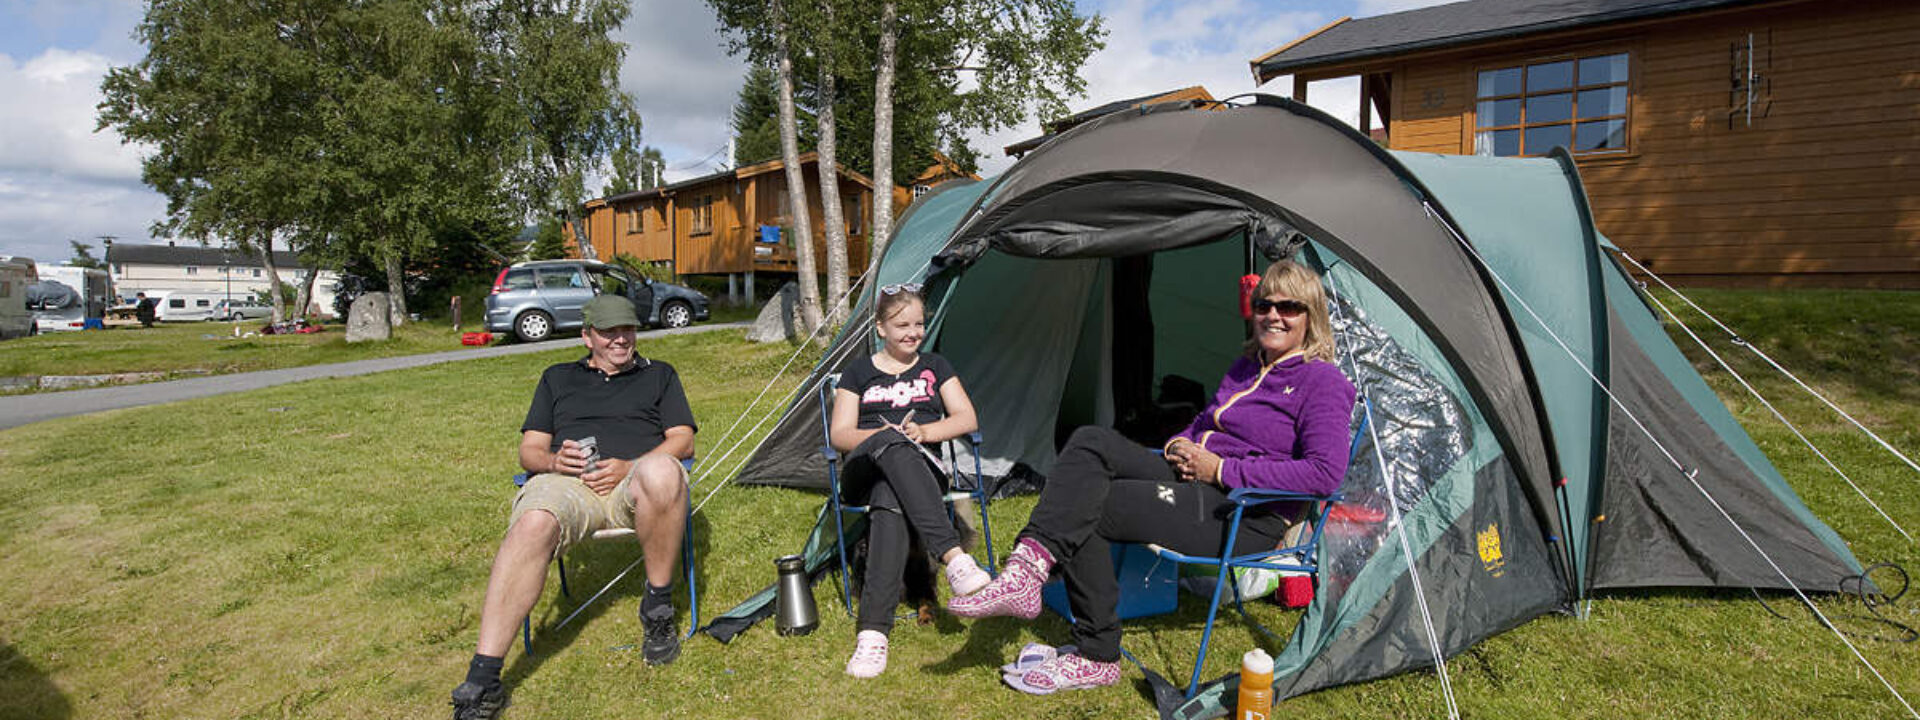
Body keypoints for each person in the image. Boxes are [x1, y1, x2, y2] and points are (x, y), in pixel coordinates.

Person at [948, 259, 1357, 694]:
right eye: (1264, 305)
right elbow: (1204, 422)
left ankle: (1097, 654)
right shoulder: (1246, 367)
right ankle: (1026, 572)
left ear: (1310, 317)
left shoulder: (1323, 382)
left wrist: (1221, 468)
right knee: (1090, 441)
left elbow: (1325, 474)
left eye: (1289, 307)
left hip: (1244, 512)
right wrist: (1179, 444)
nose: (1273, 315)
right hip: (1194, 474)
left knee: (1098, 505)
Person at [451, 295, 697, 719]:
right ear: (587, 337)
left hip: (633, 486)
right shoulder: (557, 378)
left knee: (662, 470)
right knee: (531, 524)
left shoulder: (659, 375)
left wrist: (629, 467)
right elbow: (529, 450)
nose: (621, 339)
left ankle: (657, 608)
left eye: (628, 330)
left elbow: (683, 440)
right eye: (609, 332)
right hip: (569, 485)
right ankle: (484, 676)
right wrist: (552, 462)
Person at [832, 283, 991, 678]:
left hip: (920, 471)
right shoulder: (858, 372)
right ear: (880, 327)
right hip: (863, 472)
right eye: (902, 323)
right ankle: (954, 558)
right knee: (890, 443)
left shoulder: (936, 367)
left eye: (919, 323)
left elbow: (966, 420)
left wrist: (924, 433)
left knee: (891, 497)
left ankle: (872, 634)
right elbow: (840, 435)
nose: (913, 331)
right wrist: (887, 436)